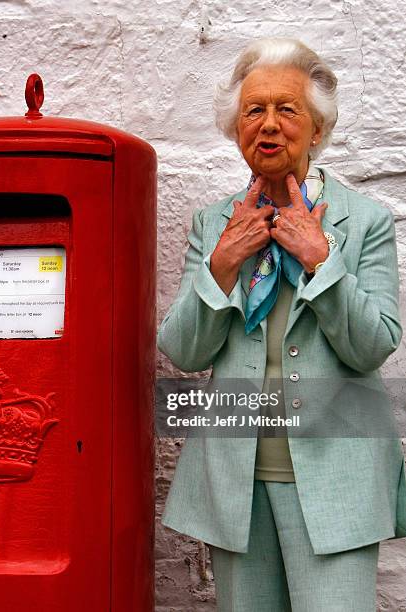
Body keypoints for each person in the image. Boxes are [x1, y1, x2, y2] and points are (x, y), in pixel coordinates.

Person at [157, 38, 406, 612]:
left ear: (317, 129)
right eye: (254, 110)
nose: (268, 125)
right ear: (237, 128)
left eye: (287, 110)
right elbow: (183, 349)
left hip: (338, 478)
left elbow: (373, 347)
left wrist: (321, 261)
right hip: (236, 483)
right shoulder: (214, 222)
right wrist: (221, 265)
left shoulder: (363, 220)